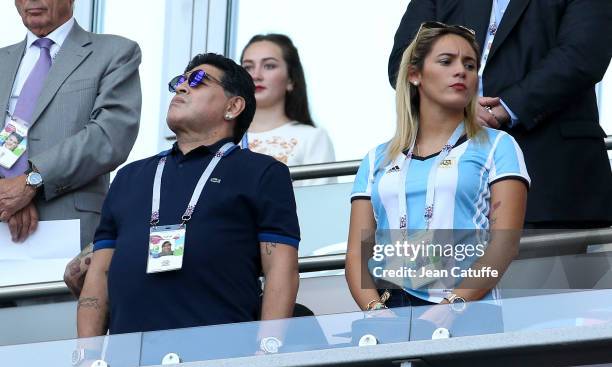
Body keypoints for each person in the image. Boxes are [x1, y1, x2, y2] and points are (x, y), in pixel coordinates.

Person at [77, 53, 300, 341]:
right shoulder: (129, 177)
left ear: (233, 106)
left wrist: (268, 350)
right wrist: (86, 357)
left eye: (197, 81)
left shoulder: (263, 172)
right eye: (180, 81)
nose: (182, 87)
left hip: (220, 357)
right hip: (129, 363)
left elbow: (281, 269)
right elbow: (99, 275)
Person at [345, 23, 529, 323]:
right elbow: (356, 253)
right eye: (447, 62)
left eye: (470, 65)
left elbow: (505, 243)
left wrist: (453, 305)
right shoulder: (376, 158)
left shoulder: (498, 145)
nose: (461, 71)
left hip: (469, 306)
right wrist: (376, 311)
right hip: (389, 309)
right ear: (415, 74)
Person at [388, 0, 612, 228]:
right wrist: (463, 106)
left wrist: (506, 107)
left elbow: (583, 54)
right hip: (446, 190)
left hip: (552, 183)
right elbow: (405, 59)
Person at [0, 0, 142, 246]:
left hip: (69, 228)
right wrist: (6, 192)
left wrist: (31, 181)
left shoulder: (116, 52)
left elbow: (110, 135)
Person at [240, 34, 336, 186]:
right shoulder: (223, 138)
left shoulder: (312, 138)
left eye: (269, 66)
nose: (256, 75)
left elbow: (319, 203)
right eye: (248, 67)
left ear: (291, 79)